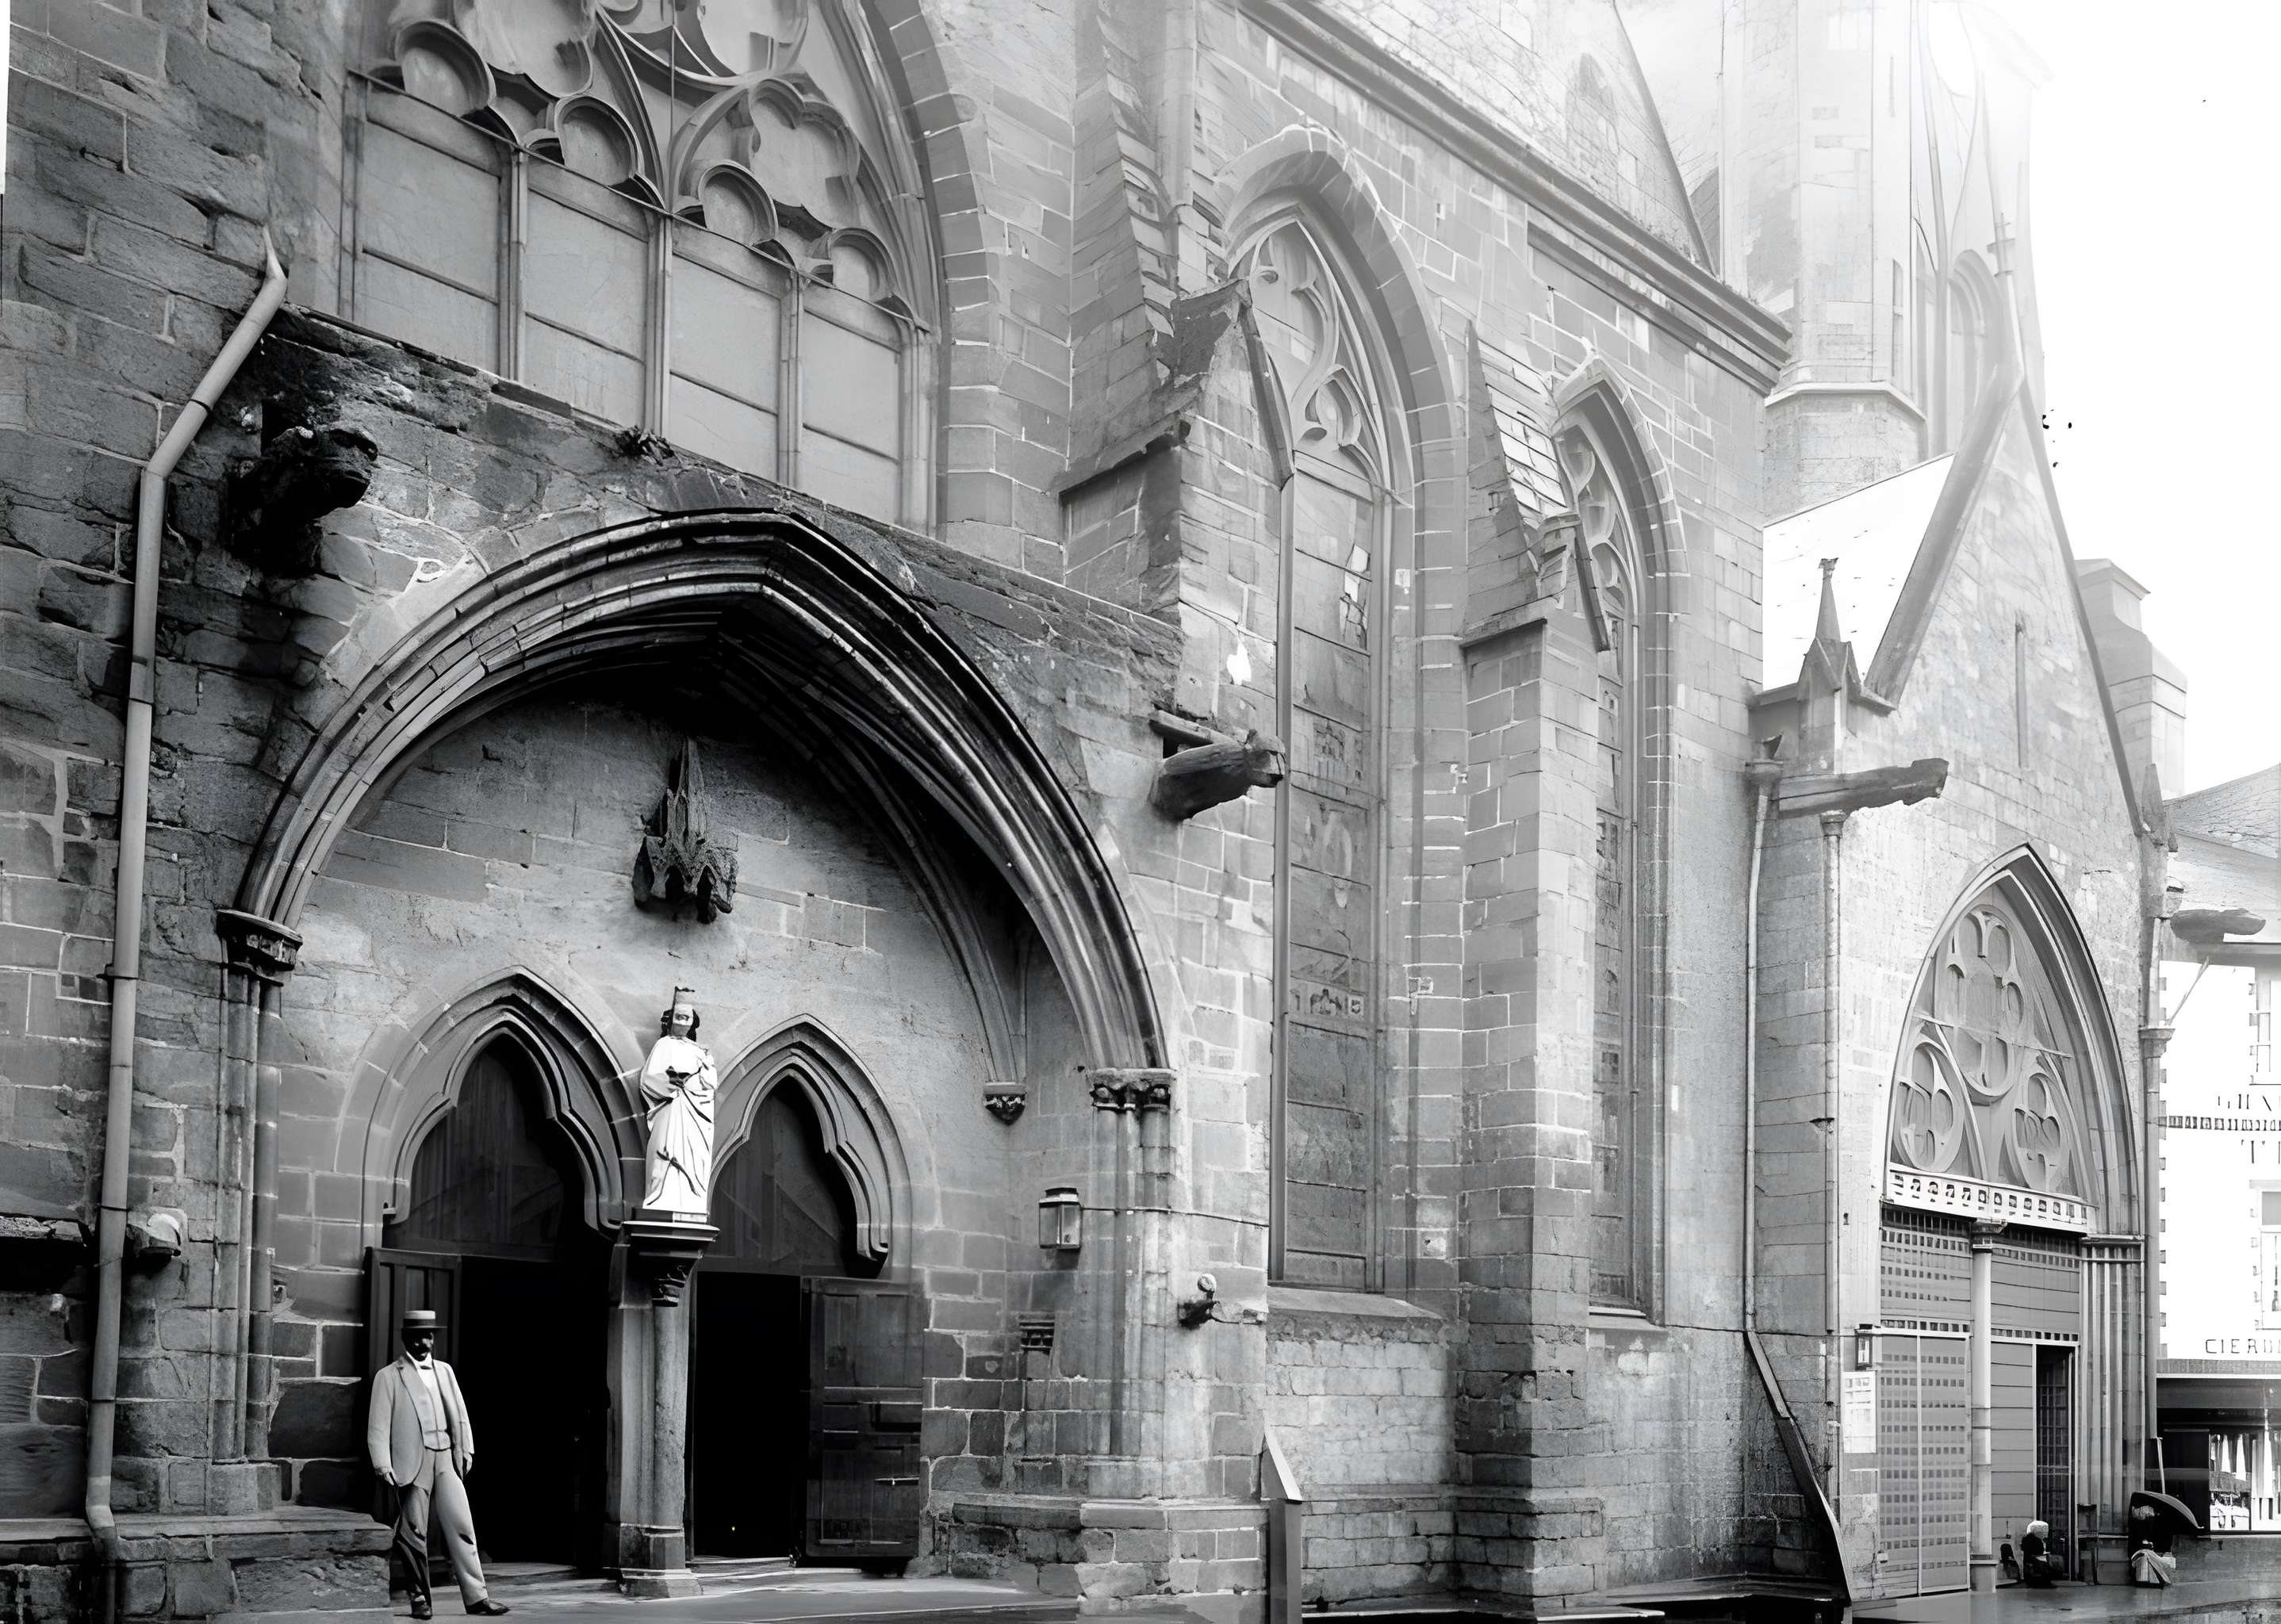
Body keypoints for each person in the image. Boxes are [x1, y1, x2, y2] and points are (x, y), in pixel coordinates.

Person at [367, 1308, 511, 1619]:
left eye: (428, 1336)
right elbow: (378, 1425)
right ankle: (419, 1600)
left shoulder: (445, 1371)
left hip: (445, 1456)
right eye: (416, 1336)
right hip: (412, 1461)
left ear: (434, 1338)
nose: (423, 1342)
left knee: (462, 1526)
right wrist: (382, 1463)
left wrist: (466, 1449)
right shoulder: (389, 1376)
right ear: (405, 1338)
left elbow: (459, 1412)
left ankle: (477, 1598)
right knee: (413, 1532)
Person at [639, 986, 717, 1216]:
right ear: (670, 1020)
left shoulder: (699, 1051)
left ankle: (690, 1201)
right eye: (679, 1017)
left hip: (694, 1112)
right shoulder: (664, 1045)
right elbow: (649, 1079)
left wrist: (703, 1072)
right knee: (666, 1150)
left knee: (693, 1156)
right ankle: (660, 1198)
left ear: (693, 1022)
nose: (683, 1022)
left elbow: (710, 1085)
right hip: (672, 1107)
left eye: (687, 1018)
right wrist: (672, 1085)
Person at [2130, 1501, 2179, 1588]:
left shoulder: (2148, 1527)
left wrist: (2149, 1544)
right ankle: (2159, 1578)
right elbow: (2136, 1544)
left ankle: (2154, 1579)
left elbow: (2148, 1541)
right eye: (2148, 1516)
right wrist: (2146, 1544)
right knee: (2148, 1555)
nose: (2149, 1518)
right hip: (2136, 1555)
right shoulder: (2136, 1527)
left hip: (2145, 1552)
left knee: (2150, 1556)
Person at [2021, 1519, 2061, 1587]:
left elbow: (2023, 1549)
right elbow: (2040, 1551)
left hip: (2028, 1560)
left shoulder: (2025, 1540)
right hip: (2036, 1560)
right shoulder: (2037, 1541)